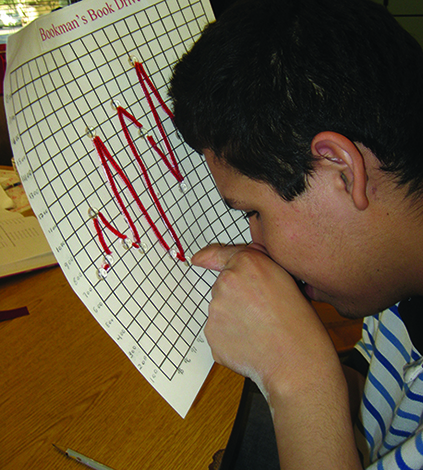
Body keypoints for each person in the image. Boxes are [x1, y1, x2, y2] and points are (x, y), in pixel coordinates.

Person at [169, 0, 423, 468]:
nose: (255, 242)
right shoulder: (396, 287)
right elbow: (374, 404)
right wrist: (291, 347)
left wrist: (298, 379)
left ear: (340, 170)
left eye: (254, 212)